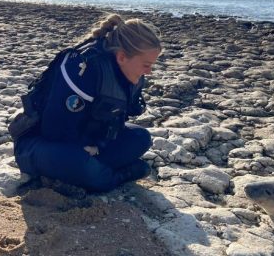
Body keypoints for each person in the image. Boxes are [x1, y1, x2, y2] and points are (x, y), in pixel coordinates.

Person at [13, 13, 162, 192]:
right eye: (146, 65)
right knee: (82, 165)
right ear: (122, 57)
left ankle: (94, 171)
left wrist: (98, 147)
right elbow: (54, 130)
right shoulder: (83, 69)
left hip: (90, 142)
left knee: (141, 138)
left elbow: (117, 122)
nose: (150, 72)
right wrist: (89, 150)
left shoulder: (132, 74)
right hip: (42, 144)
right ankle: (113, 176)